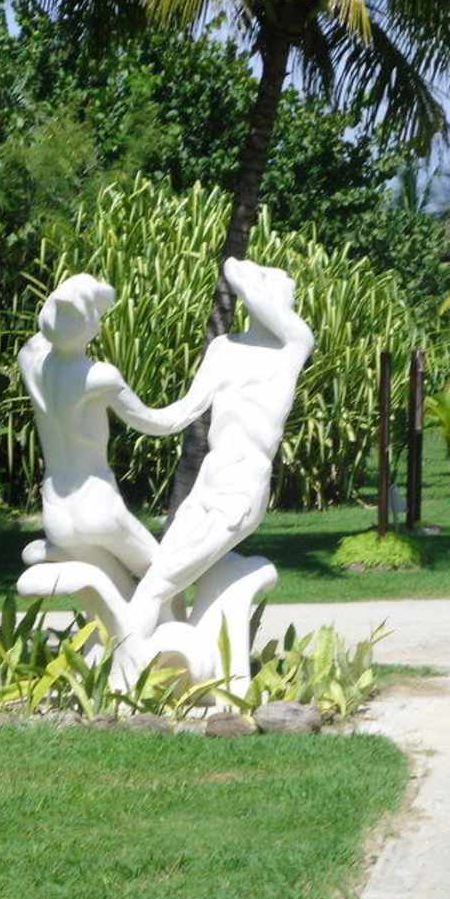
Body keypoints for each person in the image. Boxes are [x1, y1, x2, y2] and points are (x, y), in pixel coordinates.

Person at [127, 257, 314, 636]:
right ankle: (166, 655)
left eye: (288, 298)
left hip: (244, 485)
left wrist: (236, 269)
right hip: (211, 478)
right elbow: (183, 412)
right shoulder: (224, 348)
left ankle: (123, 661)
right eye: (285, 294)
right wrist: (127, 407)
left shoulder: (293, 347)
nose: (287, 306)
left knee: (154, 586)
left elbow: (237, 274)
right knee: (158, 576)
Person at [17, 274, 205, 593]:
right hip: (96, 503)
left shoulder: (29, 360)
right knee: (163, 579)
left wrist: (69, 303)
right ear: (91, 326)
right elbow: (154, 422)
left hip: (57, 512)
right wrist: (201, 399)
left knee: (121, 595)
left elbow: (48, 331)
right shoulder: (99, 377)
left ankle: (54, 554)